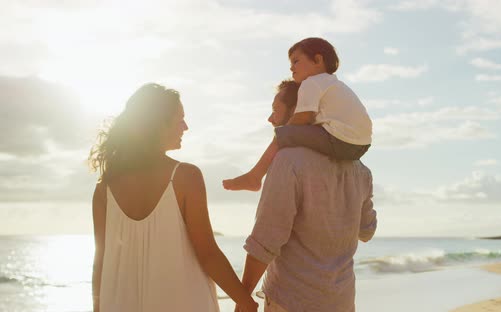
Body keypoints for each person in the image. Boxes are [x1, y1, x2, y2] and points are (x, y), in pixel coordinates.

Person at [89, 83, 257, 312]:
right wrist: (246, 302)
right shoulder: (185, 176)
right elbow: (207, 253)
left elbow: (101, 261)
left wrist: (97, 307)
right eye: (179, 119)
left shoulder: (104, 188)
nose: (185, 127)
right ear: (158, 125)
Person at [236, 80, 377, 311]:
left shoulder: (288, 160)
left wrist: (243, 298)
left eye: (275, 111)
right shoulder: (360, 170)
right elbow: (367, 231)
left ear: (298, 111)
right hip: (341, 301)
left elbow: (266, 239)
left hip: (292, 301)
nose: (270, 119)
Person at [223, 37, 372, 191]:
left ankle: (254, 177)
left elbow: (303, 117)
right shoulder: (336, 84)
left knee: (283, 134)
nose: (291, 68)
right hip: (361, 146)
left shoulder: (311, 82)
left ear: (317, 60)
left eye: (295, 61)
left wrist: (284, 134)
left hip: (339, 140)